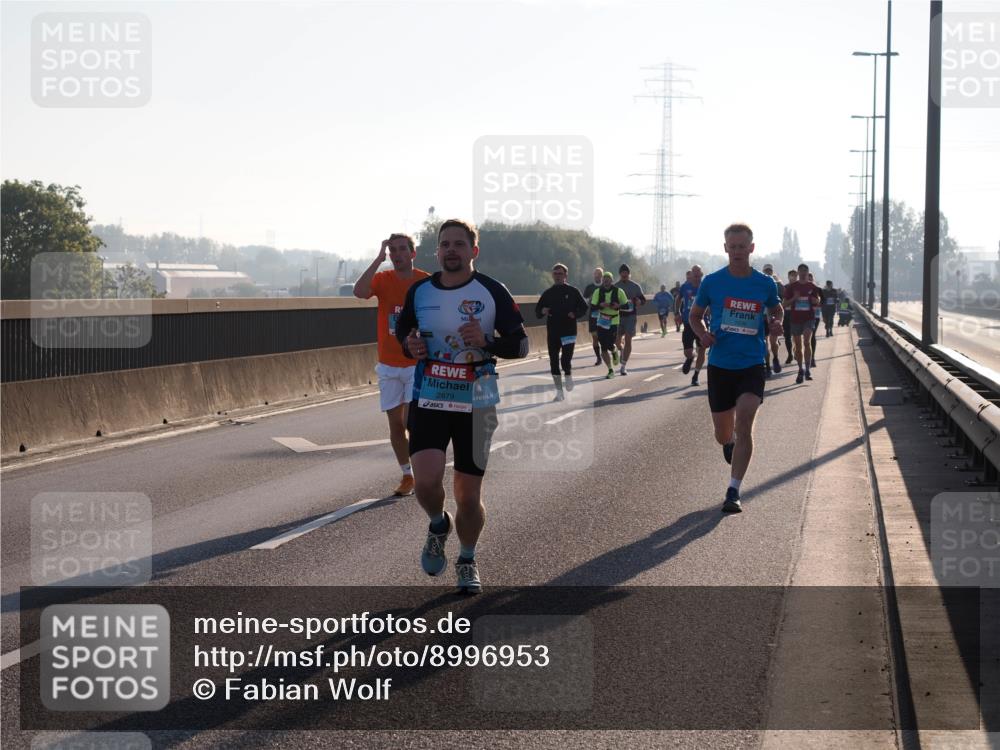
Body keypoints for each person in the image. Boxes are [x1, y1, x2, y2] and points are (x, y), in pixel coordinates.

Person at [396, 219, 528, 594]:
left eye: (458, 243)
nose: (450, 250)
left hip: (478, 399)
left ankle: (467, 558)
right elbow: (404, 335)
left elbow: (520, 345)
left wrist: (487, 342)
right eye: (444, 244)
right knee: (424, 481)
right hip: (431, 395)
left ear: (474, 250)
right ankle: (438, 524)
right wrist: (412, 346)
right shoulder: (420, 292)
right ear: (436, 251)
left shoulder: (492, 291)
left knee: (469, 496)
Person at [688, 224, 783, 513]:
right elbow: (695, 316)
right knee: (723, 433)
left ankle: (733, 490)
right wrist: (702, 334)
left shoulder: (764, 284)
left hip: (752, 363)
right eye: (733, 246)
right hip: (720, 365)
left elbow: (776, 308)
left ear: (751, 248)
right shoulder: (713, 282)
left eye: (743, 246)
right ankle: (727, 443)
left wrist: (776, 321)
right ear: (726, 248)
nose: (738, 251)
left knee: (745, 422)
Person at [353, 234, 430, 496]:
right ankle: (407, 475)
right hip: (387, 364)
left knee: (411, 421)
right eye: (393, 250)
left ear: (412, 253)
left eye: (402, 250)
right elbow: (360, 292)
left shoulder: (424, 281)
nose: (397, 254)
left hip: (415, 363)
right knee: (395, 426)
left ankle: (424, 469)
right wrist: (377, 259)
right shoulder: (383, 280)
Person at [536, 263, 589, 401]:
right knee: (553, 362)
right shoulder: (548, 293)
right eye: (555, 274)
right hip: (553, 332)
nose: (557, 276)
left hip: (569, 331)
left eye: (560, 274)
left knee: (565, 360)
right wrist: (543, 311)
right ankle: (559, 392)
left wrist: (575, 314)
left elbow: (584, 307)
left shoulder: (573, 291)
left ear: (565, 275)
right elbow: (537, 311)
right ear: (552, 275)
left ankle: (568, 374)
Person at [782, 263, 821, 384]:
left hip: (809, 318)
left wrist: (816, 300)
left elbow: (818, 301)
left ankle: (808, 369)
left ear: (808, 272)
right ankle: (800, 369)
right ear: (798, 273)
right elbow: (784, 304)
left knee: (807, 341)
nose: (803, 273)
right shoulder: (791, 287)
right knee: (798, 347)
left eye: (805, 270)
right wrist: (794, 298)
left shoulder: (813, 286)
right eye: (801, 271)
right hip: (795, 319)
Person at [590, 271, 629, 379]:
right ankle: (610, 370)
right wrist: (600, 305)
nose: (606, 281)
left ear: (612, 281)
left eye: (608, 279)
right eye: (604, 279)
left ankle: (614, 350)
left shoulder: (618, 291)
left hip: (613, 320)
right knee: (603, 346)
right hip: (601, 320)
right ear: (602, 281)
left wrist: (618, 306)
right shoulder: (598, 291)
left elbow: (626, 306)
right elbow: (592, 307)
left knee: (610, 343)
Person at [677, 266, 706, 386]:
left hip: (702, 323)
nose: (697, 277)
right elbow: (678, 299)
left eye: (699, 275)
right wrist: (677, 312)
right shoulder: (685, 287)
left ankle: (696, 375)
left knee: (702, 350)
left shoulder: (706, 286)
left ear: (701, 275)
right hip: (688, 323)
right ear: (691, 275)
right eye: (695, 275)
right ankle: (690, 358)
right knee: (688, 351)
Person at [614, 264, 646, 376]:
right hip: (618, 316)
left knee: (628, 339)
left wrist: (639, 302)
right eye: (622, 274)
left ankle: (623, 366)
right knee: (616, 342)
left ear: (629, 274)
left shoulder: (635, 286)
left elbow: (643, 300)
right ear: (619, 274)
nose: (624, 275)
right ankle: (620, 349)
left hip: (631, 317)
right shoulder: (615, 286)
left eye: (626, 274)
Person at [760, 264, 783, 375]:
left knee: (773, 342)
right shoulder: (758, 284)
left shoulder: (778, 285)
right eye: (766, 271)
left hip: (773, 317)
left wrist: (779, 321)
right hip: (762, 318)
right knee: (765, 343)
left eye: (769, 271)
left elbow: (782, 303)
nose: (768, 273)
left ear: (772, 272)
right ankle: (768, 366)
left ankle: (776, 358)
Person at [582, 267, 604, 365]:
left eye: (599, 274)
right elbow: (584, 300)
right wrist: (589, 300)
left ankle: (608, 352)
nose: (597, 276)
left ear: (602, 276)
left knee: (604, 337)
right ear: (593, 275)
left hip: (605, 315)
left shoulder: (605, 286)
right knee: (595, 337)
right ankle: (598, 358)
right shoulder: (589, 287)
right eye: (595, 274)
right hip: (593, 315)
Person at [783, 269, 797, 365]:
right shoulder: (785, 287)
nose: (793, 277)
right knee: (787, 336)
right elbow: (783, 302)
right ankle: (790, 354)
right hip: (787, 313)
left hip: (797, 314)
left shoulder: (800, 287)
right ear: (788, 277)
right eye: (791, 275)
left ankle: (796, 351)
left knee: (796, 336)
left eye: (794, 275)